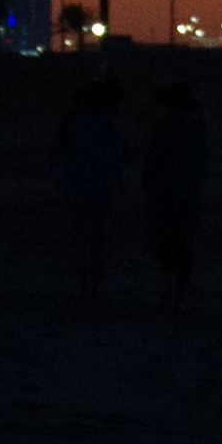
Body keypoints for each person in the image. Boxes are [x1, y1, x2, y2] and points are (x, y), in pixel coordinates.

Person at [50, 65, 129, 308]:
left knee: (80, 239)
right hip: (99, 187)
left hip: (76, 185)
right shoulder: (107, 125)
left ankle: (84, 286)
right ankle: (93, 289)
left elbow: (60, 153)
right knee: (97, 239)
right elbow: (117, 156)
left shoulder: (73, 122)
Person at [139, 72, 211, 305]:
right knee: (184, 241)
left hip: (165, 190)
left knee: (164, 240)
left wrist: (148, 182)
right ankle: (178, 287)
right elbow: (203, 161)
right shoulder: (196, 128)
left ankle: (170, 285)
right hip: (187, 190)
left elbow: (151, 158)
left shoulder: (160, 126)